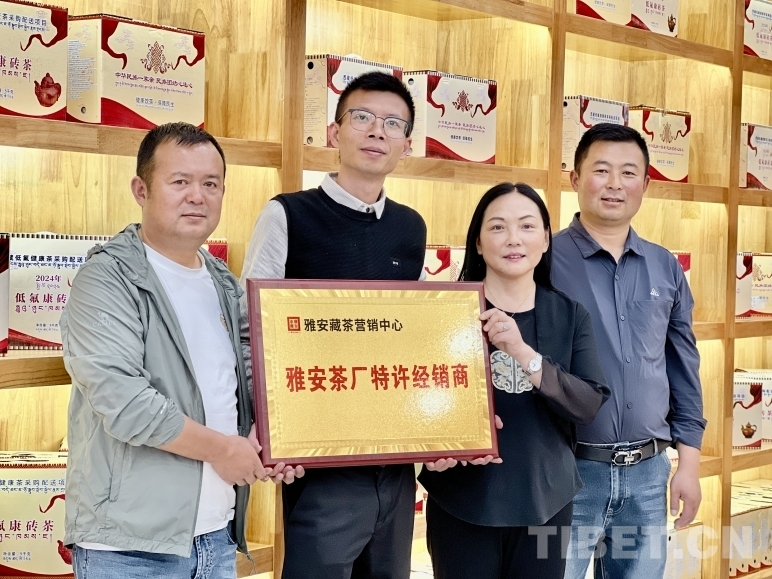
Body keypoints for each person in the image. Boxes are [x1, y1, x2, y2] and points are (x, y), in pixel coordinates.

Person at [240, 71, 487, 579]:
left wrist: (446, 423)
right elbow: (251, 330)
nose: (378, 131)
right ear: (334, 132)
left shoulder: (410, 227)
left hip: (394, 459)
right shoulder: (287, 214)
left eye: (394, 124)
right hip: (318, 458)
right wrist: (264, 423)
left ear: (407, 145)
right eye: (363, 117)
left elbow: (416, 338)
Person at [60, 122, 283, 579]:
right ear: (141, 190)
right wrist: (224, 451)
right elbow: (125, 402)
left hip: (215, 537)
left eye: (211, 184)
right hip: (128, 549)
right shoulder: (107, 278)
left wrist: (267, 436)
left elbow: (245, 379)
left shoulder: (222, 281)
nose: (197, 196)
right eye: (180, 181)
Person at [418, 182, 610, 579]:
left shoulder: (570, 315)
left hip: (547, 500)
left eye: (526, 226)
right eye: (497, 227)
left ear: (545, 239)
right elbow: (416, 400)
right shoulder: (444, 311)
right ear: (477, 242)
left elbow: (588, 403)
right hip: (462, 500)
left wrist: (523, 353)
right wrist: (430, 447)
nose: (513, 239)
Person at [554, 123, 706, 579]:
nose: (614, 184)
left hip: (648, 474)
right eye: (601, 170)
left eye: (628, 172)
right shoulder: (543, 260)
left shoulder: (665, 265)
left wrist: (688, 465)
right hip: (567, 471)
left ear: (646, 184)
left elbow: (683, 370)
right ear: (575, 178)